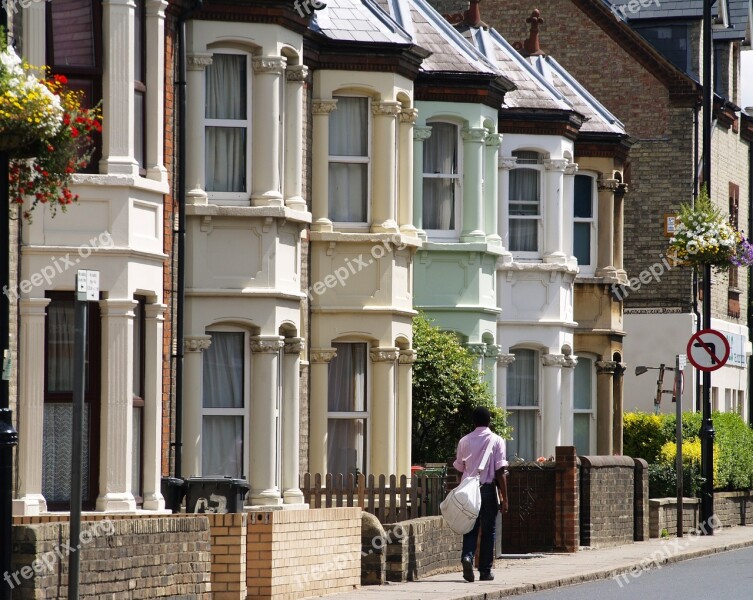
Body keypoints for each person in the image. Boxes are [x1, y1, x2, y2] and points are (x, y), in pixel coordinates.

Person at [452, 406, 509, 582]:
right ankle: (485, 570)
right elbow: (500, 471)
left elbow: (459, 470)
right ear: (489, 421)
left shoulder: (464, 441)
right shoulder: (497, 440)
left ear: (473, 422)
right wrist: (505, 498)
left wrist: (459, 489)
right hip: (487, 489)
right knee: (489, 530)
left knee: (470, 526)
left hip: (468, 490)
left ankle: (467, 557)